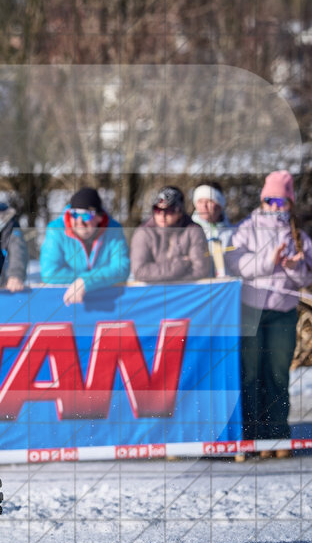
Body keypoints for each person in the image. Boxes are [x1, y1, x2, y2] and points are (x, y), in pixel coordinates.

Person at [226, 170, 312, 457]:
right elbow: (234, 262)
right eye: (270, 200)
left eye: (281, 201)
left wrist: (292, 266)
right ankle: (251, 435)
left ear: (290, 202)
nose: (275, 207)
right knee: (251, 373)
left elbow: (305, 277)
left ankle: (277, 433)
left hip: (282, 311)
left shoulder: (298, 234)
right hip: (250, 309)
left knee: (277, 374)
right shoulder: (246, 227)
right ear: (263, 200)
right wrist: (268, 261)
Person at [39, 186, 129, 305]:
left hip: (106, 303)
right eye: (75, 214)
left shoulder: (113, 230)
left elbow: (121, 268)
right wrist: (85, 281)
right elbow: (50, 273)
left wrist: (86, 281)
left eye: (86, 215)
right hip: (65, 303)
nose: (79, 221)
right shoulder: (56, 230)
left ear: (99, 217)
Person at [129, 186, 211, 282]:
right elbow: (140, 271)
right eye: (157, 209)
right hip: (152, 293)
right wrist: (180, 265)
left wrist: (159, 276)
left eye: (169, 210)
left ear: (180, 212)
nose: (162, 215)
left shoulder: (193, 231)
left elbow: (201, 269)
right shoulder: (143, 233)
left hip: (186, 292)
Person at [191, 182, 234, 277]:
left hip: (226, 288)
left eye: (209, 201)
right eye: (200, 201)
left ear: (219, 205)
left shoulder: (234, 233)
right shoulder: (188, 232)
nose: (204, 206)